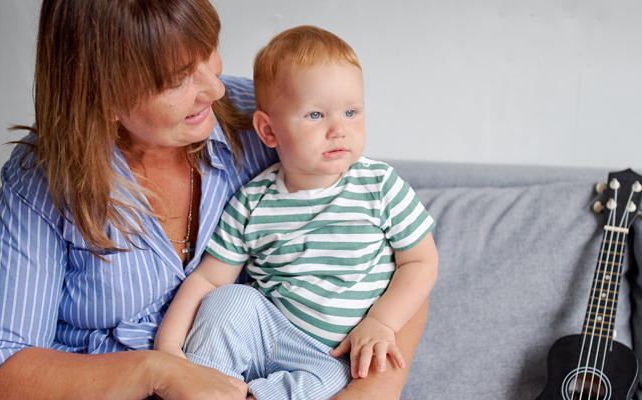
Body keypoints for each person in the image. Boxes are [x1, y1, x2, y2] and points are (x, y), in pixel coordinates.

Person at [0, 0, 430, 400]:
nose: (215, 87)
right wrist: (158, 370)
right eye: (177, 79)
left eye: (209, 50)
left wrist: (373, 388)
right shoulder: (43, 175)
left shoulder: (264, 118)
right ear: (103, 97)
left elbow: (389, 255)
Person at [155, 26, 439, 400]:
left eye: (351, 111)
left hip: (332, 353)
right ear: (268, 130)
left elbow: (420, 261)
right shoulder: (253, 199)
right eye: (316, 115)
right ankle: (208, 385)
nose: (339, 129)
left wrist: (381, 322)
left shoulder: (379, 185)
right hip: (269, 330)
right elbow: (209, 280)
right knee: (229, 302)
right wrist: (168, 352)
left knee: (336, 381)